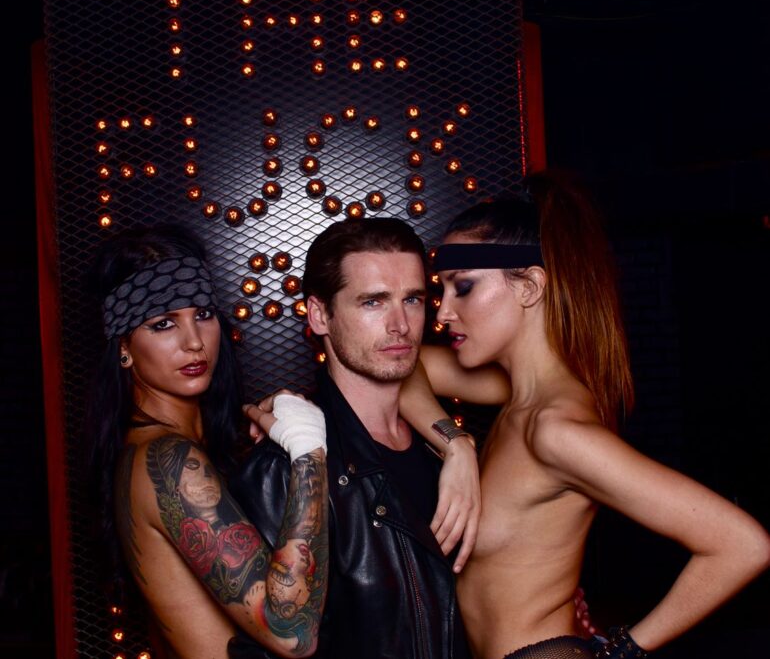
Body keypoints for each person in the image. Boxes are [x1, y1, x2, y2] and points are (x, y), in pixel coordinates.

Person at [398, 170, 770, 659]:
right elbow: (403, 365)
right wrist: (454, 443)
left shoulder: (554, 430)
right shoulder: (516, 395)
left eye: (462, 287)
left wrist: (625, 649)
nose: (443, 312)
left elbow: (742, 544)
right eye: (442, 290)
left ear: (529, 287)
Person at [229, 217, 482, 659]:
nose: (400, 325)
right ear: (319, 315)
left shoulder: (446, 456)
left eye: (412, 300)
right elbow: (270, 643)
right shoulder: (284, 468)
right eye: (373, 302)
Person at [83, 223, 329, 659]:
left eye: (203, 314)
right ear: (124, 347)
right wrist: (310, 452)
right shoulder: (169, 460)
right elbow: (292, 633)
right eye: (163, 324)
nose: (194, 341)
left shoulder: (166, 448)